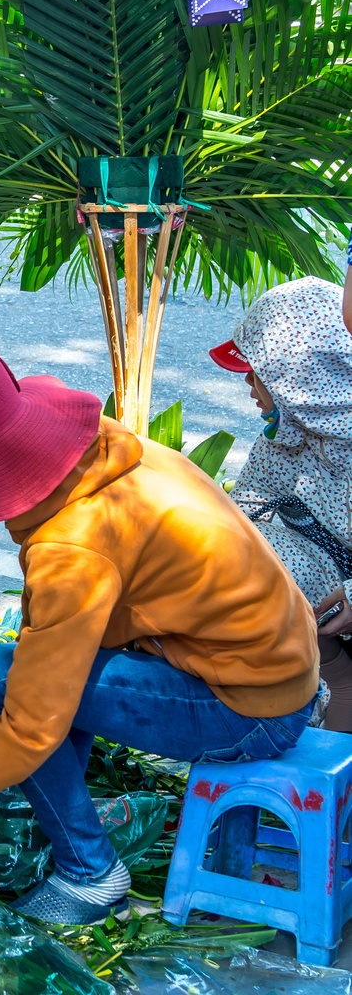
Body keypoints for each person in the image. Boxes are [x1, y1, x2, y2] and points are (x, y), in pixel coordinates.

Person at [0, 340, 318, 926]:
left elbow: (30, 724)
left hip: (248, 710)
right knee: (7, 680)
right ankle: (62, 826)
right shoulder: (99, 456)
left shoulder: (71, 548)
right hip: (272, 670)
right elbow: (71, 651)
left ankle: (90, 874)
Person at [208, 277, 352, 728]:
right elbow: (249, 500)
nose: (249, 383)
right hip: (323, 594)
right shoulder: (282, 437)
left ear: (297, 382)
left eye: (258, 372)